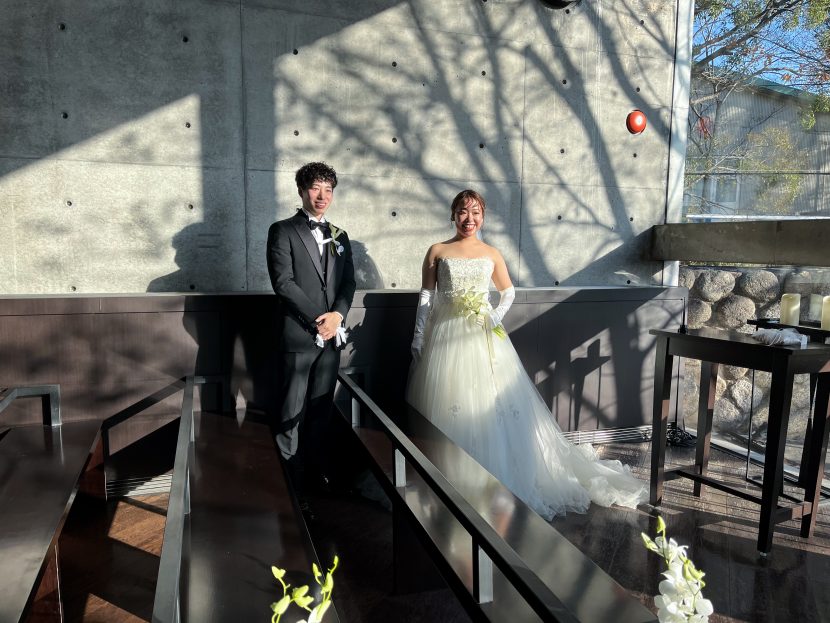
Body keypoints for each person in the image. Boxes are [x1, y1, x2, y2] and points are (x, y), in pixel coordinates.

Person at [406, 189, 647, 521]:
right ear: (453, 214)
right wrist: (418, 336)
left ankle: (488, 482)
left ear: (483, 217)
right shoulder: (437, 250)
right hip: (445, 338)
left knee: (488, 408)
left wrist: (494, 316)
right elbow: (426, 297)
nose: (469, 219)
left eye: (476, 212)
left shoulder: (491, 253)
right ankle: (449, 479)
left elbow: (508, 292)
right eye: (463, 211)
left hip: (483, 336)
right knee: (446, 406)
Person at [267, 162, 356, 509]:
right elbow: (283, 283)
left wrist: (337, 316)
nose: (322, 195)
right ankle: (287, 485)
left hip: (331, 338)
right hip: (299, 336)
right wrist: (319, 320)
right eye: (316, 188)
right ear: (302, 190)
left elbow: (348, 282)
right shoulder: (282, 230)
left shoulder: (340, 235)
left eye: (328, 189)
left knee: (321, 409)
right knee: (290, 412)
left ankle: (317, 475)